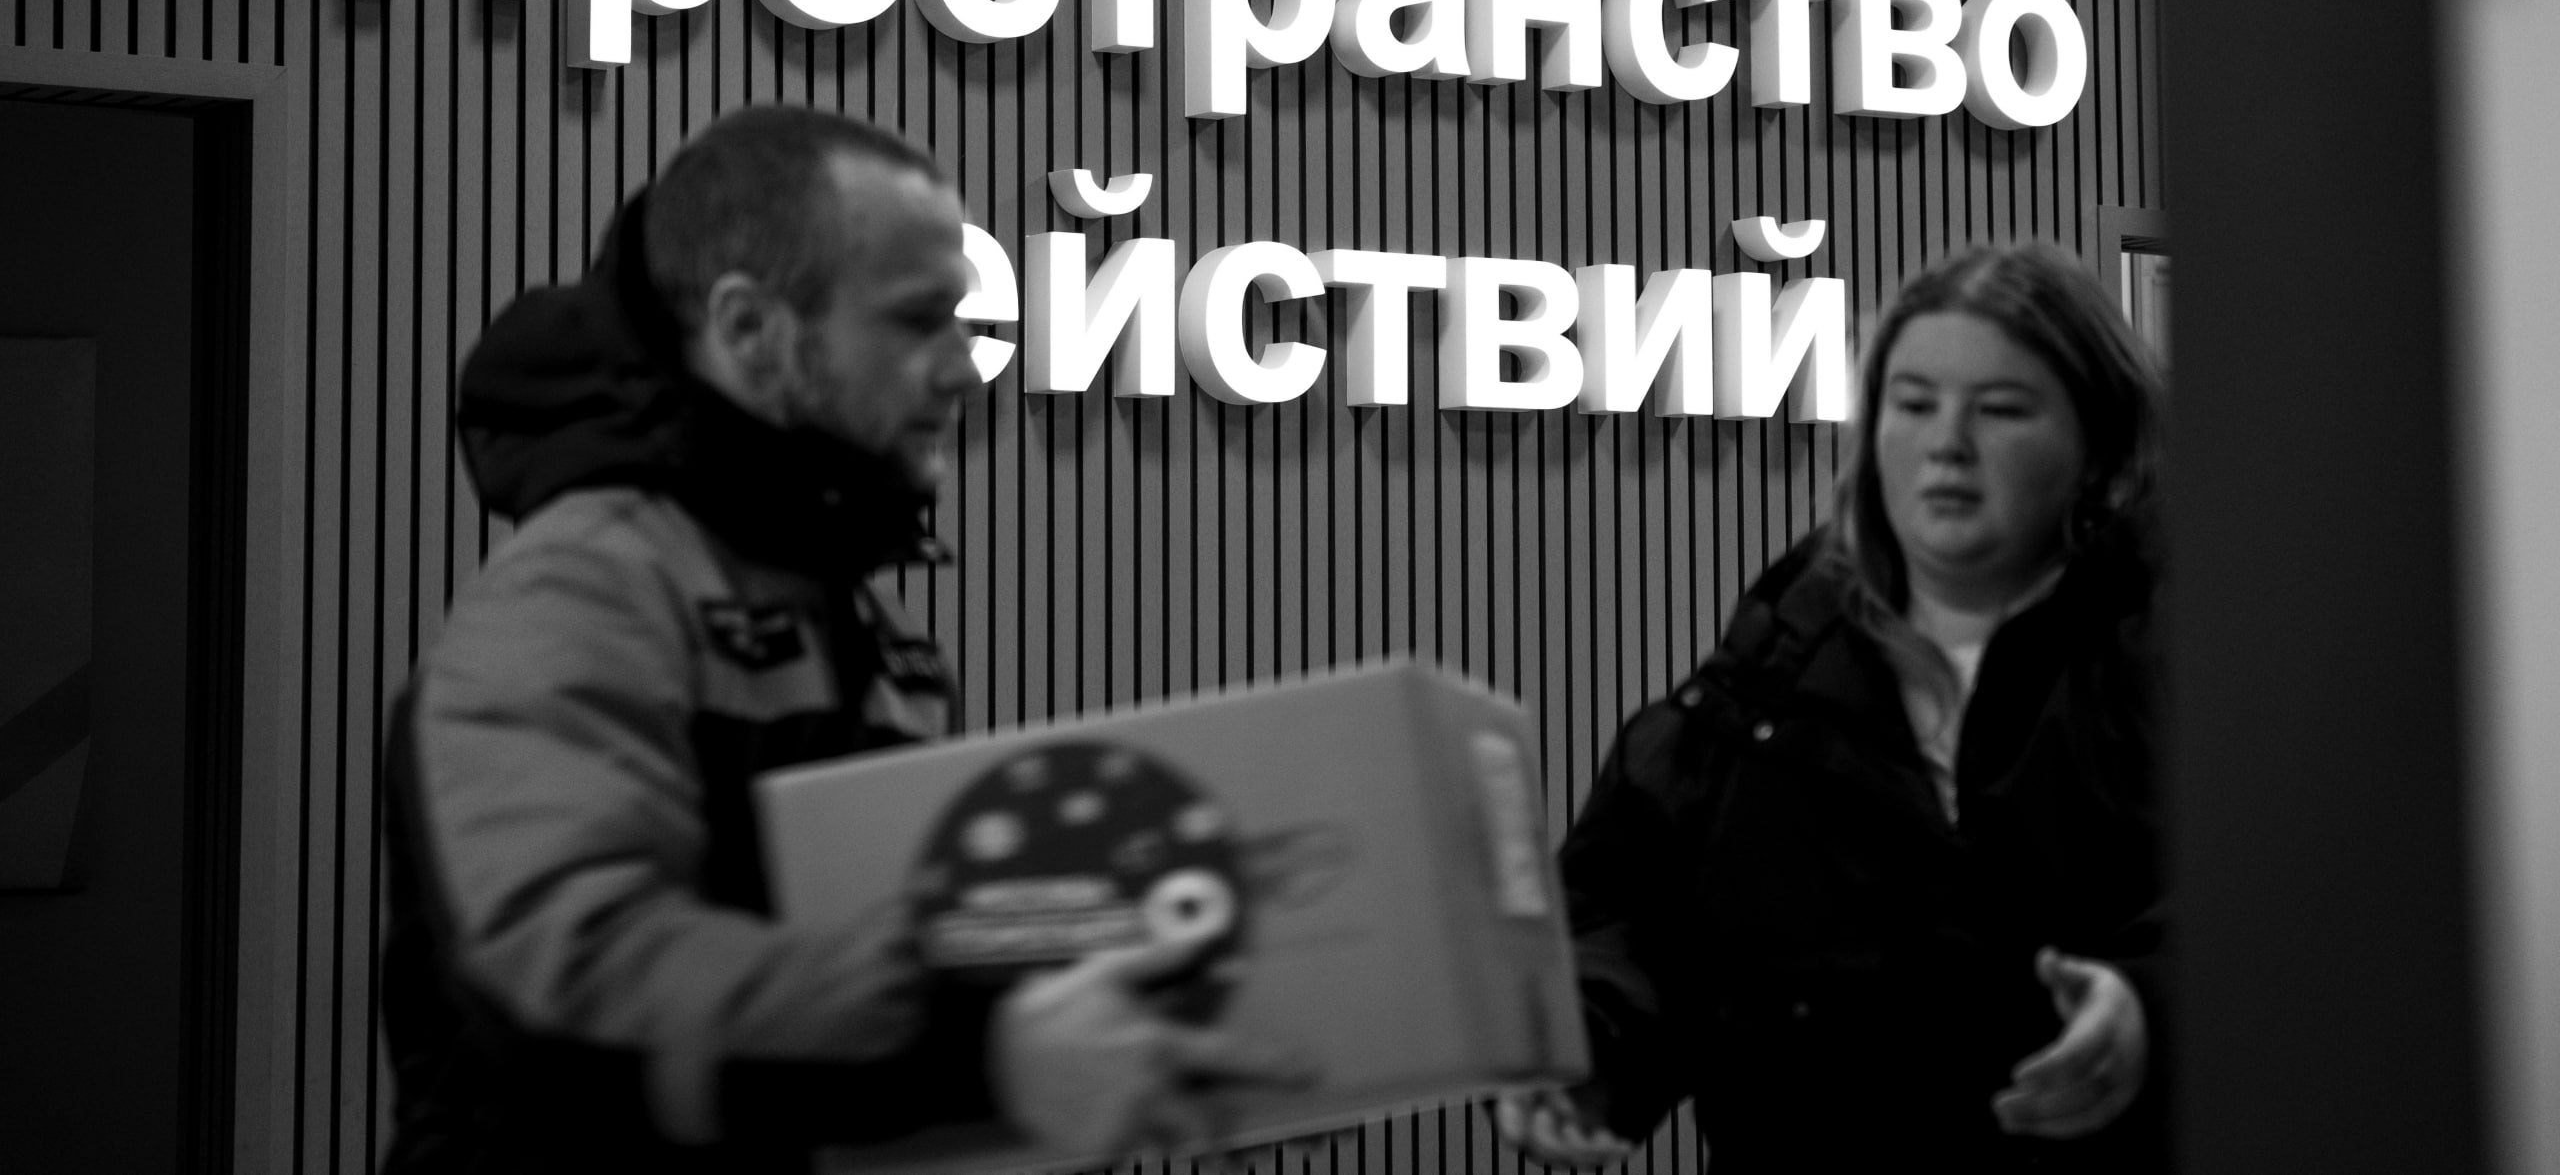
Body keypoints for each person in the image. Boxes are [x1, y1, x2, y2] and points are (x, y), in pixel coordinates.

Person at [380, 105, 1302, 1174]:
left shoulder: (857, 620)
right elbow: (569, 988)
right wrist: (986, 1057)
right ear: (750, 331)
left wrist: (1134, 1033)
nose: (964, 369)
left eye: (966, 321)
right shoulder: (587, 589)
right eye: (917, 321)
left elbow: (874, 969)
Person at [1500, 242, 2166, 1173]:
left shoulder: (2201, 665)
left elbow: (2304, 912)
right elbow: (1630, 917)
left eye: (2002, 410)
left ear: (2100, 444)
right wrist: (1590, 1055)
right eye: (1914, 404)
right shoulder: (1769, 672)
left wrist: (2152, 1010)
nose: (1948, 444)